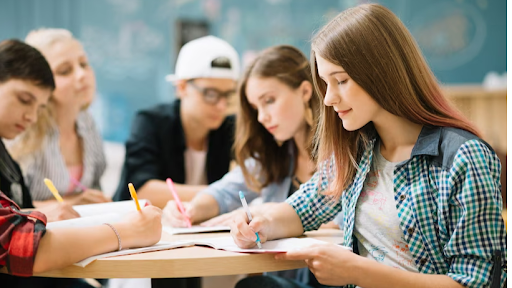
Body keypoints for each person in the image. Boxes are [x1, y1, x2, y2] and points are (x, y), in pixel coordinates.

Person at [231, 4, 506, 288]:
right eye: (326, 84)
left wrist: (358, 272)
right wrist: (260, 222)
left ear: (382, 72)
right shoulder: (358, 149)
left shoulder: (463, 157)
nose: (328, 99)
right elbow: (301, 210)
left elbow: (478, 284)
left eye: (341, 81)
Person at [164, 44, 339, 287]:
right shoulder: (274, 154)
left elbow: (338, 222)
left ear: (305, 91)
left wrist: (265, 212)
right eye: (256, 107)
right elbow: (224, 192)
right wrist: (191, 210)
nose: (261, 117)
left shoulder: (340, 151)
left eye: (269, 101)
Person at [0, 39, 162, 288]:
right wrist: (127, 231)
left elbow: (21, 214)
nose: (31, 116)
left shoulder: (87, 126)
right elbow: (20, 243)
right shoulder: (18, 143)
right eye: (24, 100)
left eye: (84, 64)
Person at [114, 35, 240, 209]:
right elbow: (142, 191)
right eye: (211, 94)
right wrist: (223, 193)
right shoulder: (151, 122)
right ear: (181, 87)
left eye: (228, 95)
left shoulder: (230, 127)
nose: (222, 105)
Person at [9, 28, 110, 207]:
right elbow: (10, 208)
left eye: (84, 64)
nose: (82, 75)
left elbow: (94, 187)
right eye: (64, 71)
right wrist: (71, 203)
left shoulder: (86, 121)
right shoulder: (20, 129)